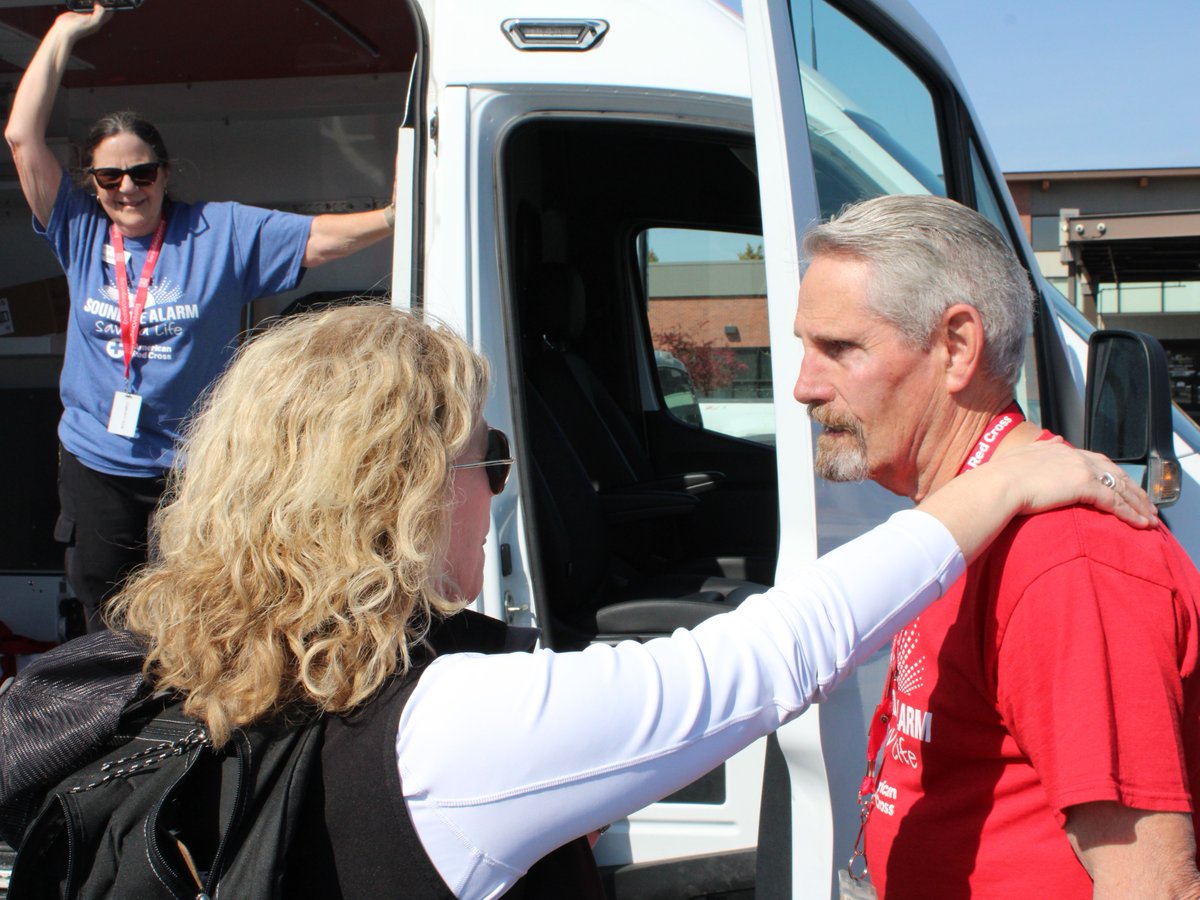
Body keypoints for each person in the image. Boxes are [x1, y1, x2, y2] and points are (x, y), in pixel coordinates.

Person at [102, 301, 1156, 898]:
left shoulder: (178, 658)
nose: (495, 493)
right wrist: (1005, 481)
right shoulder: (452, 730)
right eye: (486, 461)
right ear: (409, 496)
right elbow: (771, 659)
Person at [792, 194, 1200, 898]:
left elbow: (1151, 884)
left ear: (956, 346)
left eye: (838, 349)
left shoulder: (1066, 558)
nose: (803, 386)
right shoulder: (964, 518)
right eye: (803, 347)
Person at [3, 4, 396, 630]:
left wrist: (395, 216)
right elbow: (23, 137)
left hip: (192, 468)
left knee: (194, 612)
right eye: (110, 176)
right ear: (93, 182)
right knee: (105, 611)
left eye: (142, 173)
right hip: (96, 465)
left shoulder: (221, 231)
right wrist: (66, 30)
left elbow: (319, 239)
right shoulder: (78, 229)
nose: (127, 188)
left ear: (164, 173)